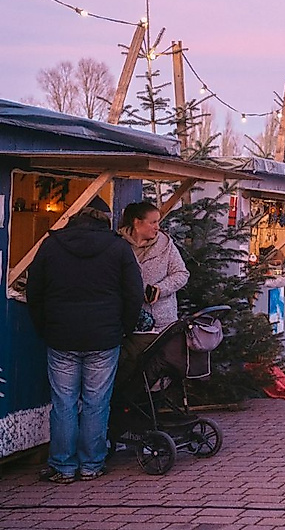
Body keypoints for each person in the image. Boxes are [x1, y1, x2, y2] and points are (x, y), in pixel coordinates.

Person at [26, 196, 144, 483]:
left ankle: (63, 466)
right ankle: (91, 464)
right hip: (104, 336)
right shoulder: (118, 247)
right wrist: (124, 328)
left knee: (64, 401)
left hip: (61, 335)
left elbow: (34, 291)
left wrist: (45, 327)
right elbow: (134, 293)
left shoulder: (52, 245)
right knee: (96, 401)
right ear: (105, 219)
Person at [115, 202, 192, 385]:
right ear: (137, 223)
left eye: (158, 222)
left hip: (161, 323)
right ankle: (125, 405)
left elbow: (182, 274)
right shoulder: (117, 245)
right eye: (153, 222)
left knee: (152, 368)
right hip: (127, 324)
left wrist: (160, 288)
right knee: (125, 364)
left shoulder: (166, 245)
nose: (158, 227)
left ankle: (145, 404)